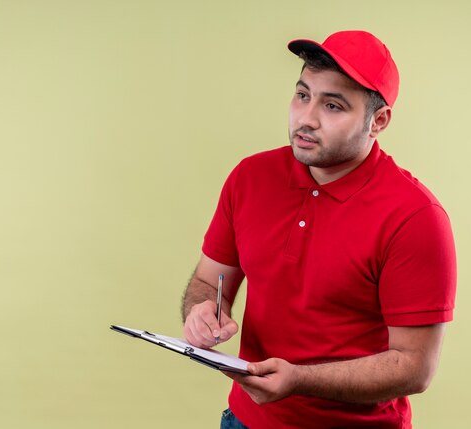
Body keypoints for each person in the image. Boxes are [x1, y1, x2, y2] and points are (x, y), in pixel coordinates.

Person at [181, 30, 457, 429]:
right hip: (244, 421)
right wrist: (203, 311)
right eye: (302, 95)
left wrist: (298, 380)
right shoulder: (249, 177)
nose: (306, 118)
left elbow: (415, 367)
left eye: (333, 105)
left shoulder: (415, 216)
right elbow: (209, 280)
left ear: (377, 121)